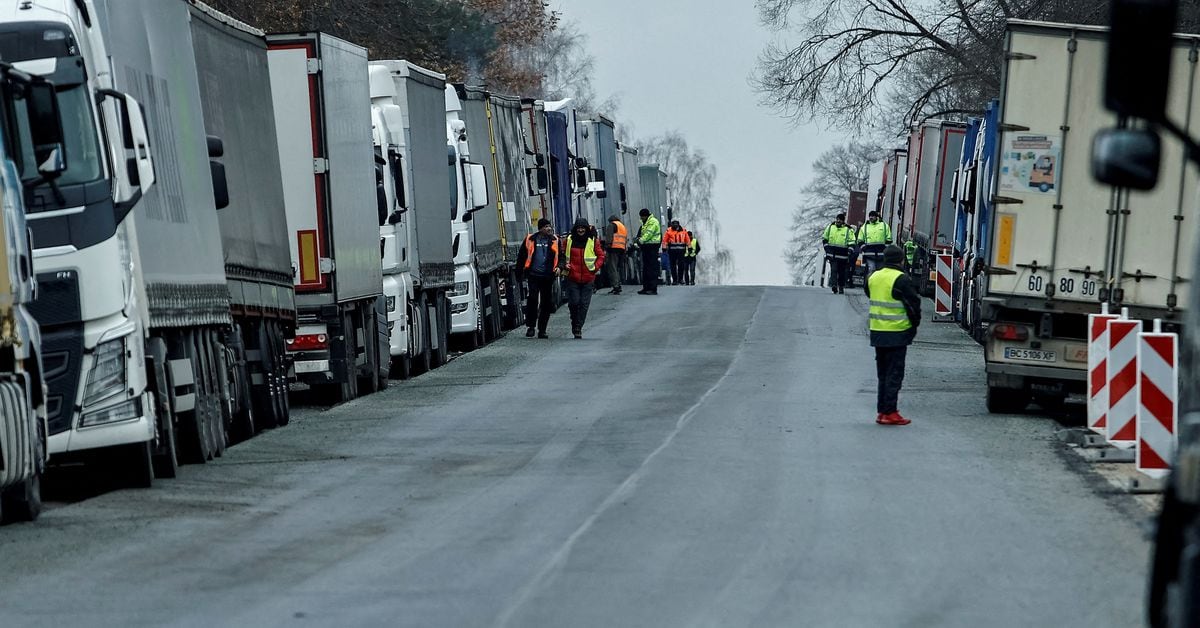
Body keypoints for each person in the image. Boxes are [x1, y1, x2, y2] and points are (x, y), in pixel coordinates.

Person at [867, 245, 921, 426]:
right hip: (897, 333)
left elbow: (870, 294)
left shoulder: (873, 277)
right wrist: (914, 327)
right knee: (894, 374)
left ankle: (882, 411)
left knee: (882, 374)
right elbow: (913, 305)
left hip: (877, 333)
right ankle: (890, 412)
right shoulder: (901, 279)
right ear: (901, 260)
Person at [560, 218, 606, 339]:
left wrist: (595, 267)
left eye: (583, 228)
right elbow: (562, 255)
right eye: (579, 228)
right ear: (575, 229)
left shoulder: (593, 241)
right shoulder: (568, 240)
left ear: (586, 229)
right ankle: (575, 322)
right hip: (572, 277)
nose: (581, 230)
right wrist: (564, 264)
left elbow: (601, 256)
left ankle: (578, 328)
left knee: (584, 305)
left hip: (588, 278)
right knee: (574, 303)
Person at [514, 218, 559, 338]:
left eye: (549, 226)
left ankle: (542, 330)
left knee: (546, 303)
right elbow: (522, 257)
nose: (548, 229)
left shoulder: (555, 240)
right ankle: (531, 327)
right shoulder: (530, 239)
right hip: (533, 275)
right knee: (532, 300)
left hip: (548, 277)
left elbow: (561, 256)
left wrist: (560, 267)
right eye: (546, 227)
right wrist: (519, 274)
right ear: (540, 229)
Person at [821, 213, 856, 294]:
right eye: (837, 219)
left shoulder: (848, 230)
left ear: (843, 221)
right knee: (834, 270)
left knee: (841, 272)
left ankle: (841, 286)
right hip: (832, 254)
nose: (838, 221)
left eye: (840, 219)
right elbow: (825, 239)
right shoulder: (830, 227)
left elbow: (852, 242)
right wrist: (827, 249)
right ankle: (834, 286)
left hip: (843, 256)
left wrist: (849, 251)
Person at [857, 210, 893, 277]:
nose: (871, 217)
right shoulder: (864, 227)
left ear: (877, 217)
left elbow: (889, 239)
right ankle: (870, 285)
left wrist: (885, 249)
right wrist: (864, 248)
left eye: (873, 216)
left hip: (881, 254)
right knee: (871, 269)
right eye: (870, 216)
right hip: (869, 254)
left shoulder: (884, 226)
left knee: (880, 272)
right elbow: (860, 240)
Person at [635, 209, 662, 295]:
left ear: (645, 216)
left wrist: (640, 241)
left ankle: (653, 288)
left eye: (642, 216)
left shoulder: (652, 222)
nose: (641, 218)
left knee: (651, 268)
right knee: (646, 268)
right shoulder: (646, 222)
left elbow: (648, 234)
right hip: (647, 247)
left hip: (652, 247)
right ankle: (646, 288)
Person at [604, 215, 627, 294]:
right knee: (617, 268)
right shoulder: (622, 226)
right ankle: (618, 284)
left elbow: (609, 237)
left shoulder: (612, 225)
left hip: (613, 248)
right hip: (621, 249)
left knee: (612, 268)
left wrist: (607, 247)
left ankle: (616, 286)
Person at [662, 220, 691, 285]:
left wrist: (689, 247)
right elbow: (665, 240)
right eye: (673, 224)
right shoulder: (668, 231)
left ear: (678, 225)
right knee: (673, 266)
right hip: (672, 251)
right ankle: (675, 280)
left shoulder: (683, 231)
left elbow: (687, 240)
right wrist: (664, 248)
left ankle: (680, 279)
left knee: (681, 265)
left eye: (676, 224)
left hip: (681, 251)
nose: (674, 225)